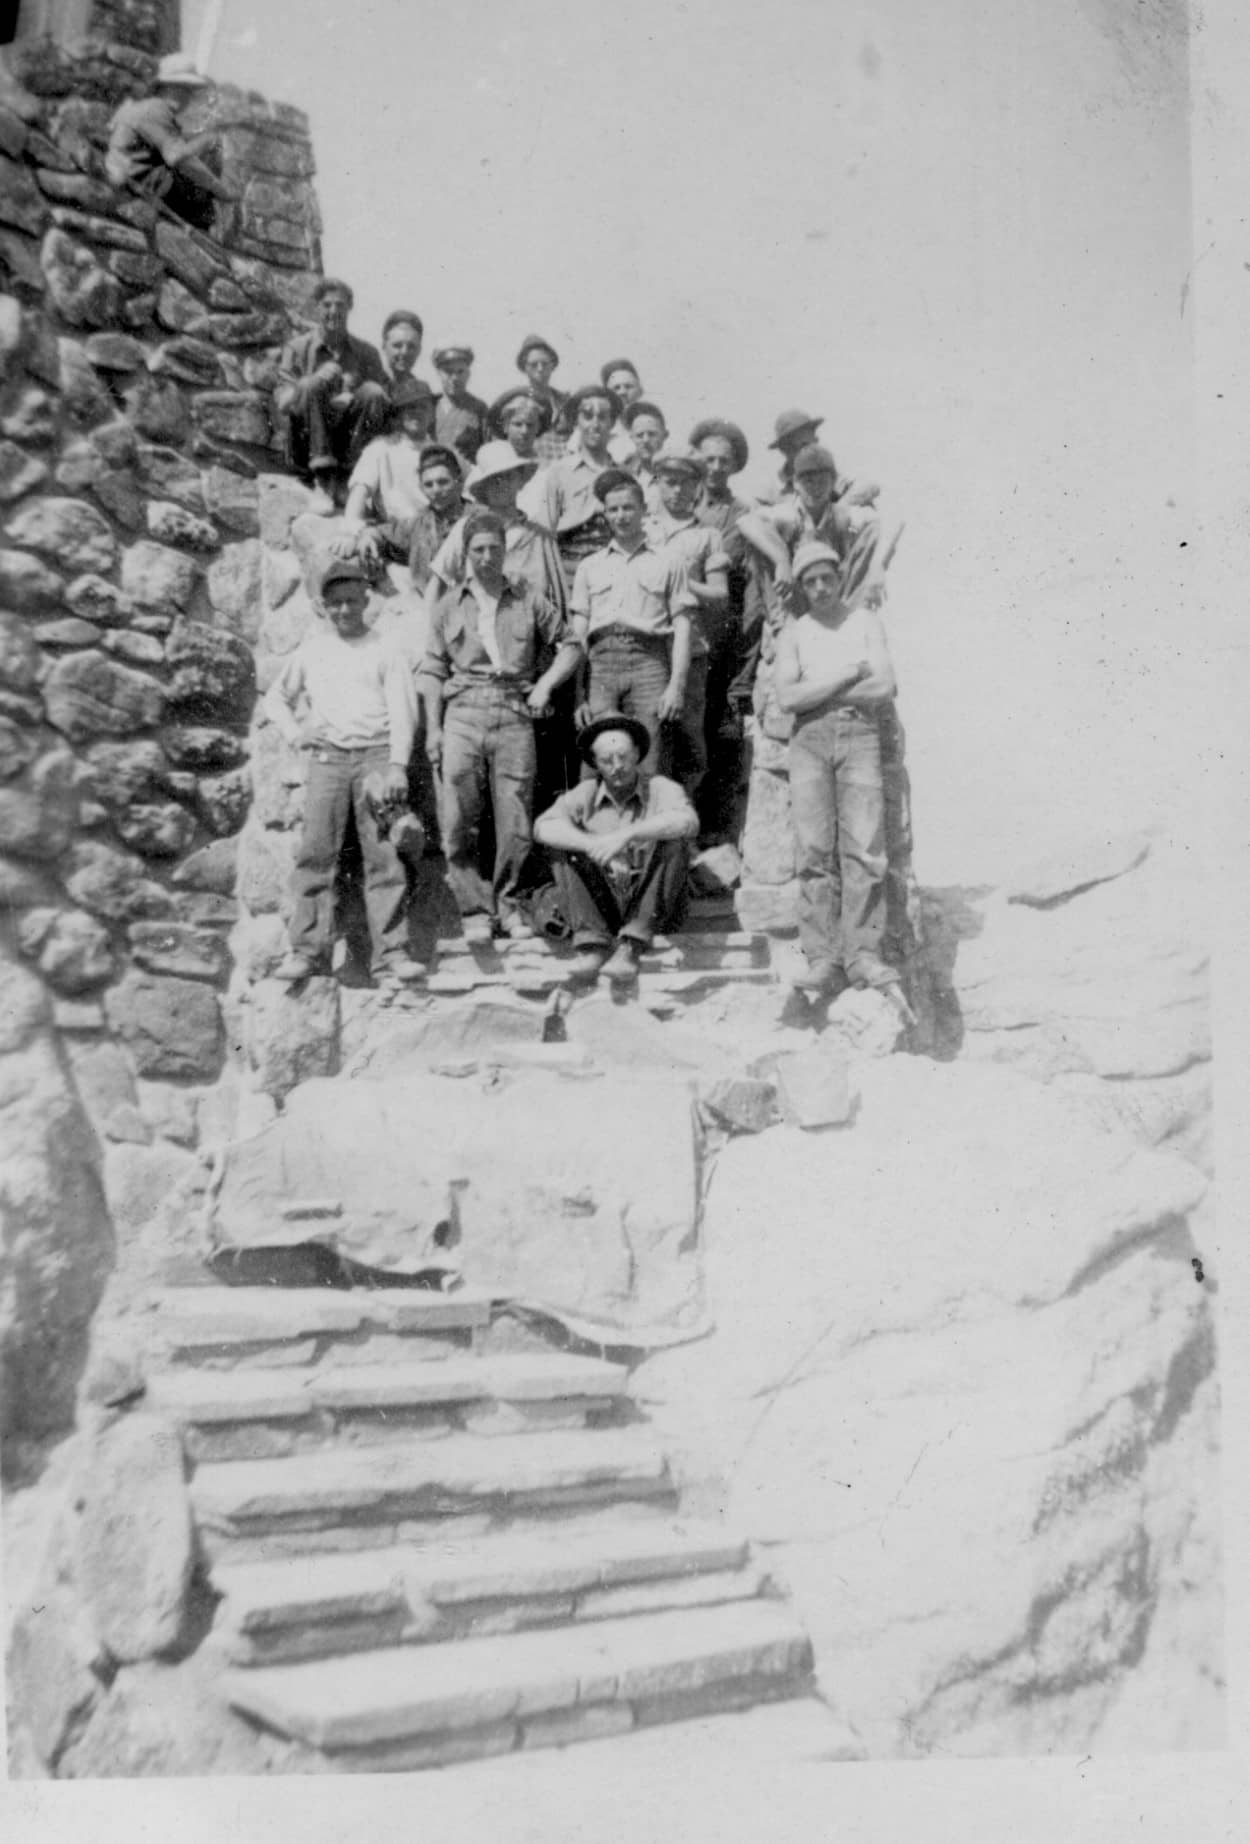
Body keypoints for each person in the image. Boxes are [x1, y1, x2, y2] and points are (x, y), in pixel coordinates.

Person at [420, 511, 582, 945]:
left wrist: (546, 686)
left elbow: (570, 645)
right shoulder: (448, 604)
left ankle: (510, 906)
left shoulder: (527, 597)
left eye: (494, 548)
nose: (487, 557)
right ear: (466, 554)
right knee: (457, 814)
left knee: (514, 817)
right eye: (478, 550)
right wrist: (433, 730)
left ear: (505, 550)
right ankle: (474, 910)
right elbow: (433, 670)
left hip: (514, 711)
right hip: (463, 712)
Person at [264, 557, 425, 988]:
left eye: (352, 601)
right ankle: (307, 951)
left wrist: (397, 764)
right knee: (316, 854)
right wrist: (298, 734)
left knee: (384, 857)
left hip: (375, 759)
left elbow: (403, 711)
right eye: (335, 604)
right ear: (323, 606)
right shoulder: (313, 650)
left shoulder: (385, 648)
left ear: (366, 600)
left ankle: (392, 954)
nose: (344, 611)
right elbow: (275, 701)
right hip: (329, 760)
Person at [773, 541, 899, 998]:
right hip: (809, 740)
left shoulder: (864, 622)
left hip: (859, 735)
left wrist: (818, 691)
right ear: (802, 588)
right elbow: (788, 699)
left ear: (839, 577)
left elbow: (885, 685)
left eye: (827, 578)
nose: (821, 588)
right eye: (810, 582)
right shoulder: (795, 632)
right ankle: (823, 957)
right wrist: (848, 675)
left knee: (865, 847)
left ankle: (863, 954)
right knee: (813, 849)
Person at [534, 714, 698, 989]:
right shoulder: (585, 793)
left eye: (623, 757)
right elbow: (543, 827)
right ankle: (592, 945)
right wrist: (593, 845)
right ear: (595, 764)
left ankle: (631, 947)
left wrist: (626, 836)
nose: (617, 767)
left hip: (653, 904)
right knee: (563, 849)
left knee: (674, 843)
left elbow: (688, 821)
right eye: (606, 761)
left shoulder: (660, 788)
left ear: (637, 754)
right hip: (604, 902)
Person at [571, 468, 695, 774]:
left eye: (628, 507)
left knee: (649, 757)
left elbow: (682, 627)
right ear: (605, 515)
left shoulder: (669, 560)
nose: (621, 515)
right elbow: (578, 634)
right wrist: (578, 695)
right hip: (600, 665)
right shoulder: (590, 566)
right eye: (613, 509)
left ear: (643, 509)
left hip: (649, 664)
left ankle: (647, 821)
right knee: (597, 757)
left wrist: (676, 686)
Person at [645, 445, 730, 813]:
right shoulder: (643, 527)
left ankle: (686, 817)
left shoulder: (707, 535)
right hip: (648, 647)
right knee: (649, 735)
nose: (676, 491)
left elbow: (720, 594)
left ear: (697, 487)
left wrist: (681, 582)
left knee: (689, 735)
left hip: (691, 649)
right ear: (658, 483)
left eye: (685, 483)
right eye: (669, 482)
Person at [274, 278, 389, 516]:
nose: (333, 311)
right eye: (327, 305)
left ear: (350, 308)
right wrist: (317, 381)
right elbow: (283, 403)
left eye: (340, 305)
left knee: (372, 392)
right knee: (309, 384)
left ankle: (348, 478)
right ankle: (324, 483)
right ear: (317, 307)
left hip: (349, 445)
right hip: (305, 447)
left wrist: (352, 396)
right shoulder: (297, 348)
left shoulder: (366, 353)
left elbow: (383, 400)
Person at [425, 441, 567, 618]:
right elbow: (437, 581)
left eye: (508, 476)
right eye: (493, 479)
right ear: (483, 487)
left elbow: (558, 603)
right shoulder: (467, 527)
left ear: (519, 480)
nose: (501, 484)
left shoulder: (540, 537)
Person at [106, 52, 239, 234]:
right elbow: (176, 157)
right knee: (205, 197)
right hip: (139, 181)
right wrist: (219, 188)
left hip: (130, 175)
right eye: (188, 90)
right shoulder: (157, 110)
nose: (190, 97)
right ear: (176, 89)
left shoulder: (142, 107)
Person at [534, 385, 621, 592]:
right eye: (588, 416)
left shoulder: (622, 475)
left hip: (614, 575)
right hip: (570, 574)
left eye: (603, 417)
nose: (595, 424)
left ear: (612, 423)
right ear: (576, 422)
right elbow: (545, 533)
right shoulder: (559, 472)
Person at [338, 377, 438, 538]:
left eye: (423, 407)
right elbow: (360, 489)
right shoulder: (381, 448)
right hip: (396, 531)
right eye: (410, 407)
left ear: (432, 414)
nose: (417, 413)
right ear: (398, 415)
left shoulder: (440, 452)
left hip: (433, 530)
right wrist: (353, 525)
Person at [432, 345, 489, 466]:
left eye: (460, 372)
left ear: (468, 373)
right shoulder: (430, 405)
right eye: (448, 372)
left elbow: (488, 448)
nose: (455, 378)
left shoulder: (479, 408)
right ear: (439, 373)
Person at [515, 335, 567, 463]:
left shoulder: (565, 402)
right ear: (524, 367)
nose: (540, 368)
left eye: (544, 363)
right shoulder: (517, 403)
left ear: (552, 366)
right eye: (534, 364)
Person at [487, 385, 554, 461]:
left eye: (530, 425)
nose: (524, 431)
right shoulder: (493, 463)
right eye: (518, 424)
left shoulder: (546, 468)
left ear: (538, 427)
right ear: (505, 426)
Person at [622, 400, 667, 510]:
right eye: (639, 435)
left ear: (665, 435)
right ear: (631, 438)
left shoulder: (676, 476)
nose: (645, 440)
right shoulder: (624, 477)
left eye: (652, 434)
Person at [599, 359, 645, 463]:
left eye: (628, 387)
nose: (622, 392)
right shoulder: (596, 428)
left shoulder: (656, 425)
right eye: (616, 388)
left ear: (640, 391)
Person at [380, 310, 424, 386]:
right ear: (384, 346)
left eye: (411, 347)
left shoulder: (421, 391)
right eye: (397, 346)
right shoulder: (369, 387)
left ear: (419, 350)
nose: (404, 352)